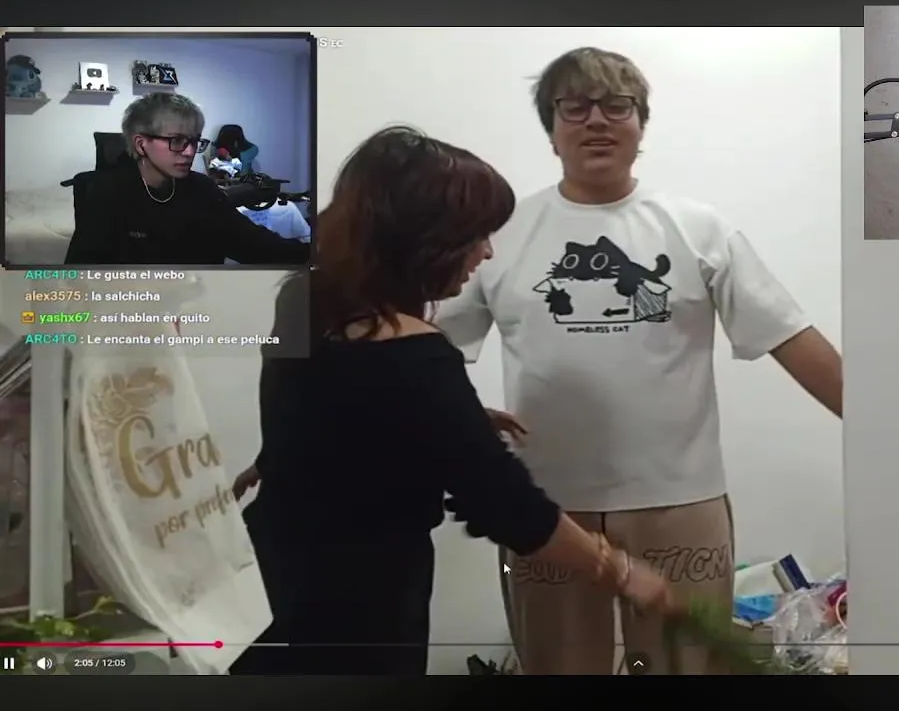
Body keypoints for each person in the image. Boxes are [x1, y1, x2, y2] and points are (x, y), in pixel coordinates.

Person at [434, 47, 844, 675]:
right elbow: (427, 350)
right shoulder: (502, 235)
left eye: (617, 105)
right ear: (551, 129)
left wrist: (887, 435)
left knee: (688, 669)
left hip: (680, 501)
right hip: (546, 508)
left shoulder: (699, 229)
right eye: (576, 107)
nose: (597, 120)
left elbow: (792, 337)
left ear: (640, 125)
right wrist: (459, 425)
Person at [227, 127, 677, 676]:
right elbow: (504, 502)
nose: (487, 252)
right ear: (426, 239)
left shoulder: (304, 298)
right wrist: (621, 572)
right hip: (357, 603)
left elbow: (324, 413)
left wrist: (456, 419)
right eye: (476, 235)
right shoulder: (415, 354)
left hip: (265, 575)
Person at [63, 94, 311, 265]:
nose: (190, 152)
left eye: (194, 141)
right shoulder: (106, 192)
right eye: (177, 141)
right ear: (141, 144)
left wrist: (318, 255)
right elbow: (83, 278)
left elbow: (252, 243)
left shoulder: (201, 189)